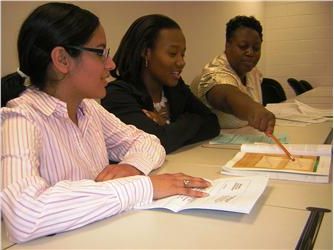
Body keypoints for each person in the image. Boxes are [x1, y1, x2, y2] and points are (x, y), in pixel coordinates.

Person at [0, 3, 211, 243]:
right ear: (62, 59)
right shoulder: (20, 119)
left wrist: (132, 167)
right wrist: (145, 186)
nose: (111, 64)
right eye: (100, 52)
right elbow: (24, 216)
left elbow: (149, 142)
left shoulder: (88, 108)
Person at [101, 14, 220, 154]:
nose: (181, 62)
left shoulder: (175, 88)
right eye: (173, 53)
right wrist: (183, 125)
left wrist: (168, 126)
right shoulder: (117, 95)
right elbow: (156, 142)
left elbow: (212, 123)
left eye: (183, 54)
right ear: (146, 52)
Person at [190, 15, 275, 134]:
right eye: (243, 46)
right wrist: (253, 109)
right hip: (208, 148)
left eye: (256, 48)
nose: (250, 52)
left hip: (243, 140)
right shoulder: (213, 72)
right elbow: (227, 96)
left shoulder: (253, 72)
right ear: (227, 45)